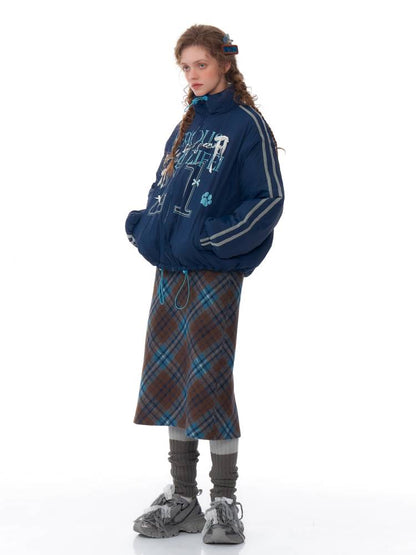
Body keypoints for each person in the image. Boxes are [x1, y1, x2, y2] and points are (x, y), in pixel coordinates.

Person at [125, 24, 285, 544]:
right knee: (174, 382)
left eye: (201, 64)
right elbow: (163, 187)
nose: (193, 75)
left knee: (209, 380)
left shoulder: (246, 125)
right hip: (171, 270)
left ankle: (223, 502)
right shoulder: (188, 125)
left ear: (225, 63)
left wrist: (211, 241)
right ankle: (182, 499)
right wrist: (148, 230)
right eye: (185, 67)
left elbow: (267, 200)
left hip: (214, 271)